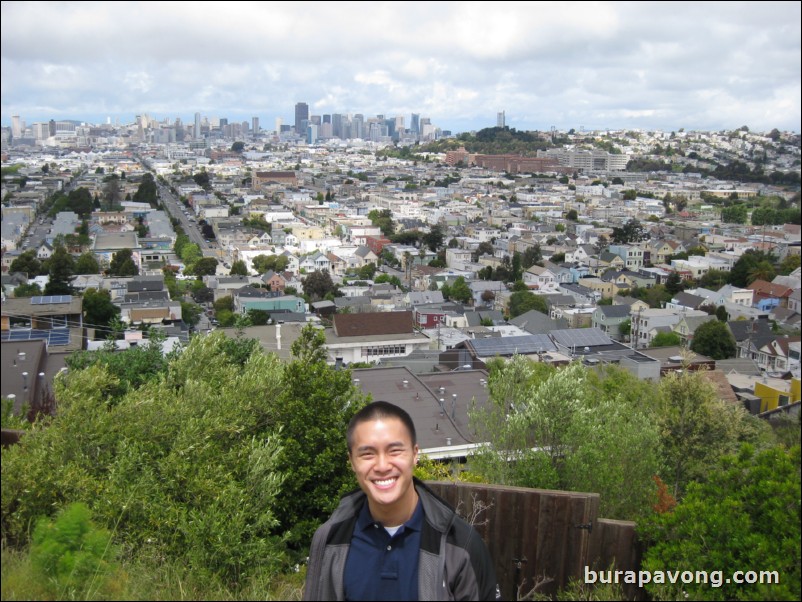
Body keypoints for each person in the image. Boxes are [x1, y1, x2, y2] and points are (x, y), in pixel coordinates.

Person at [303, 400, 500, 601]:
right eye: (367, 454)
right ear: (352, 462)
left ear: (415, 454)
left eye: (394, 451)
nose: (382, 465)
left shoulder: (459, 545)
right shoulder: (331, 539)